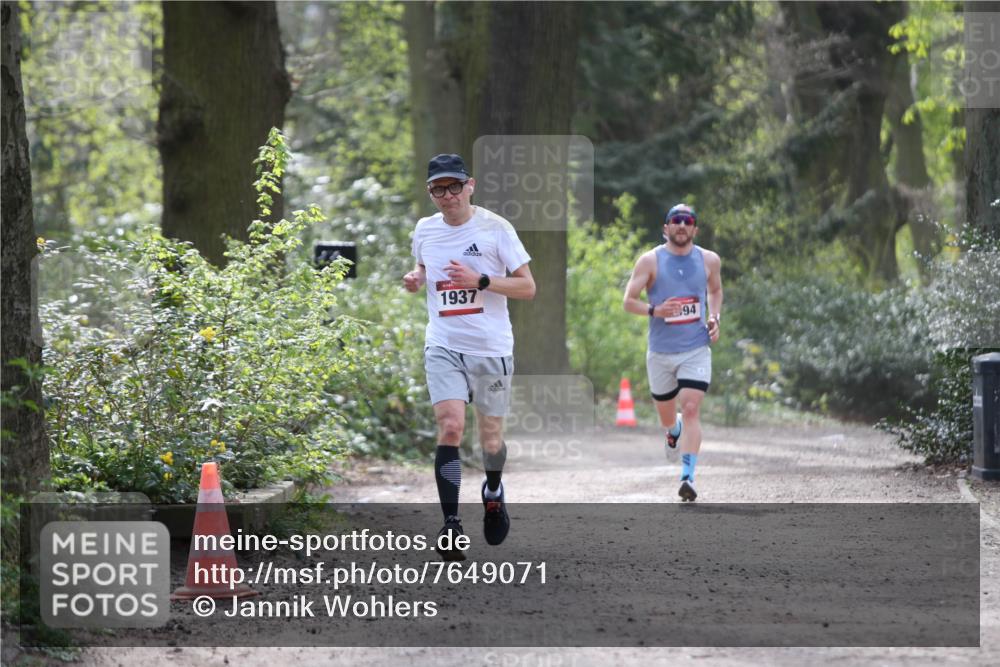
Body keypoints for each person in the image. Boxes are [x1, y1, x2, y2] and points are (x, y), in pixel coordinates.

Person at [403, 153, 536, 559]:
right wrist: (418, 277)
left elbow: (528, 287)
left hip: (491, 348)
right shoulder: (425, 229)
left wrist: (481, 280)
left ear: (470, 185)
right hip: (443, 344)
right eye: (438, 189)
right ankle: (451, 524)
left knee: (491, 439)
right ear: (430, 193)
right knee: (450, 427)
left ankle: (493, 489)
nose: (447, 196)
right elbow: (424, 265)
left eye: (454, 187)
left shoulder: (496, 229)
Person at [622, 204, 722, 502]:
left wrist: (714, 318)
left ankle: (687, 476)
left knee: (691, 408)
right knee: (668, 415)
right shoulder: (650, 261)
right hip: (661, 353)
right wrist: (655, 310)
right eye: (675, 221)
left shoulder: (709, 260)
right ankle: (672, 430)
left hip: (695, 348)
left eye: (687, 221)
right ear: (666, 228)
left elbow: (715, 291)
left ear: (695, 229)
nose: (681, 225)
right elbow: (628, 301)